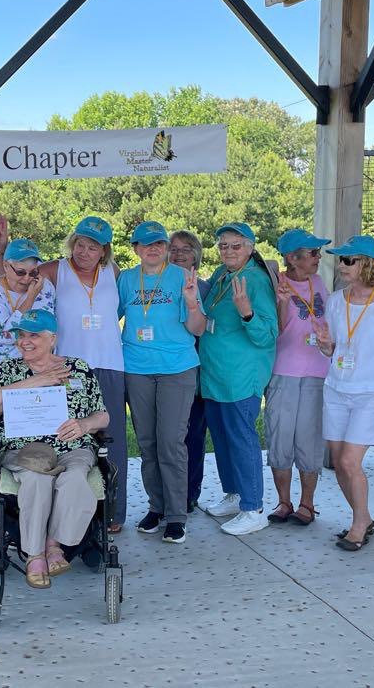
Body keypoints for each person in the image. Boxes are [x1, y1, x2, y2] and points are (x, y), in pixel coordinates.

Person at [0, 214, 128, 533]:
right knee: (66, 433)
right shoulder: (55, 269)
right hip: (67, 366)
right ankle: (64, 507)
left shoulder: (114, 272)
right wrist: (1, 255)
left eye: (92, 246)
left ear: (104, 250)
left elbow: (117, 311)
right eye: (79, 243)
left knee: (112, 437)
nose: (84, 251)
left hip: (109, 361)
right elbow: (17, 282)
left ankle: (112, 512)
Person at [0, 309, 109, 589]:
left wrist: (85, 425)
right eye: (21, 335)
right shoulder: (8, 371)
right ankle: (35, 555)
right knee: (37, 478)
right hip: (25, 450)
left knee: (75, 477)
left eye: (34, 335)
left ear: (53, 338)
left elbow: (103, 416)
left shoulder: (79, 368)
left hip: (72, 447)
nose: (25, 341)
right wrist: (38, 379)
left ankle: (54, 545)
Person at [314, 236, 374, 551]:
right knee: (339, 463)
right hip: (337, 389)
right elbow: (333, 349)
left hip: (370, 394)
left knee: (351, 462)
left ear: (367, 264)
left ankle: (358, 526)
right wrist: (326, 345)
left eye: (348, 260)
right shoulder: (336, 300)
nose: (341, 266)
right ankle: (363, 518)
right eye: (340, 260)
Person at [119, 221, 205, 544]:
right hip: (137, 369)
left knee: (171, 442)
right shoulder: (126, 280)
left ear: (165, 248)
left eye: (158, 243)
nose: (152, 249)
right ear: (136, 249)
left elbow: (197, 329)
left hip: (177, 369)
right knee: (147, 443)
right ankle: (157, 507)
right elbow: (105, 315)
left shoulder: (182, 278)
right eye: (145, 244)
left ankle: (177, 515)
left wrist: (193, 301)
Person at [199, 222, 278, 536]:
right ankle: (234, 494)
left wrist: (247, 312)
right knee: (222, 439)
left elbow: (268, 335)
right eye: (223, 245)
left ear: (250, 247)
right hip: (216, 374)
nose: (228, 251)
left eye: (235, 245)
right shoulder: (221, 275)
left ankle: (253, 508)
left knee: (242, 441)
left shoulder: (256, 281)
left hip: (240, 377)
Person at [265, 229, 332, 526]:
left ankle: (307, 504)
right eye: (313, 253)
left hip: (317, 372)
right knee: (281, 438)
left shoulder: (318, 282)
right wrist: (281, 301)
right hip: (284, 372)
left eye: (318, 253)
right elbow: (276, 330)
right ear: (293, 258)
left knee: (310, 440)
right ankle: (283, 502)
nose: (318, 258)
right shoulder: (276, 283)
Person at [0, 237, 55, 397]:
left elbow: (48, 327)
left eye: (33, 272)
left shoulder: (45, 287)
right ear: (5, 266)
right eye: (20, 272)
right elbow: (6, 335)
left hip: (37, 372)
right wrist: (31, 297)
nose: (26, 278)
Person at [168, 230, 212, 513]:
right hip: (167, 371)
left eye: (187, 248)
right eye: (174, 248)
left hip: (198, 371)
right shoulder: (157, 285)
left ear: (197, 254)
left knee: (194, 435)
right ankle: (166, 494)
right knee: (169, 437)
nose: (180, 253)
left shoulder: (207, 288)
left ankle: (189, 493)